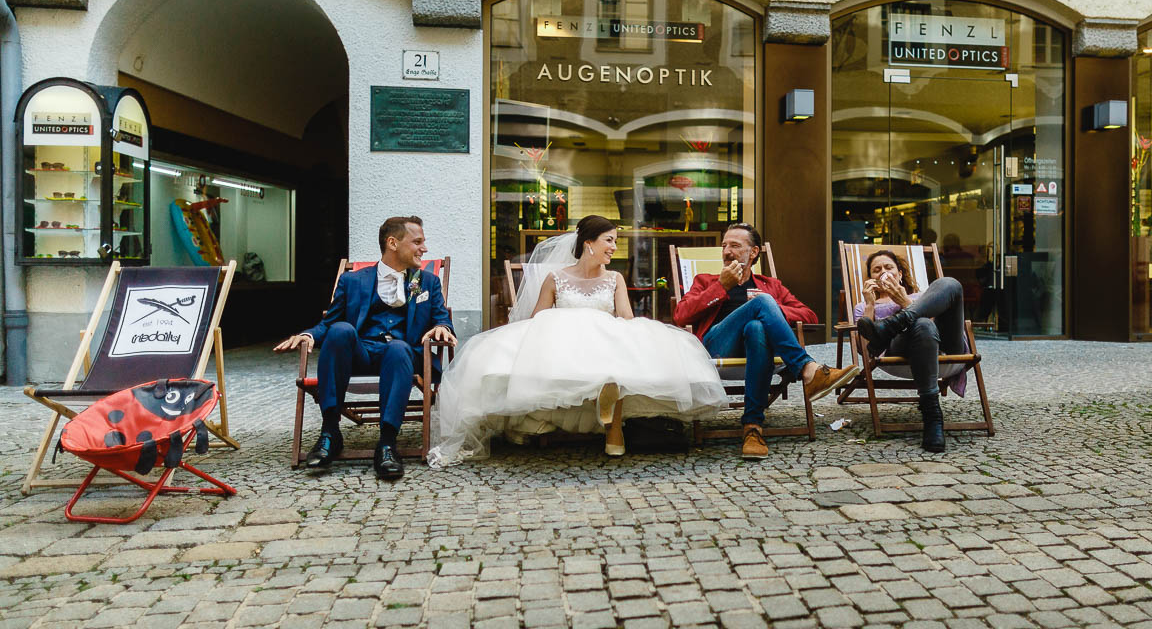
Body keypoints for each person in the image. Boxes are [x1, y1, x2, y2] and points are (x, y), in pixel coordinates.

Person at [427, 215, 726, 469]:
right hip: (564, 345)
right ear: (589, 244)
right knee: (564, 335)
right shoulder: (556, 278)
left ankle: (613, 424)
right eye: (608, 240)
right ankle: (609, 426)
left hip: (605, 341)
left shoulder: (615, 279)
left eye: (614, 242)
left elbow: (626, 318)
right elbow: (536, 319)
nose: (614, 247)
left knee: (620, 344)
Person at [274, 216, 456, 479]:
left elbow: (441, 317)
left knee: (398, 349)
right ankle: (330, 433)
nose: (424, 249)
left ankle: (387, 443)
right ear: (393, 243)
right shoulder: (353, 281)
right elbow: (331, 321)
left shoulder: (425, 282)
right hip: (361, 353)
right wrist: (308, 335)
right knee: (341, 330)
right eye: (417, 242)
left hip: (402, 357)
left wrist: (443, 328)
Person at [674, 223, 860, 459]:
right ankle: (807, 369)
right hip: (717, 348)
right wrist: (722, 286)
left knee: (756, 326)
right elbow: (681, 315)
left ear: (753, 253)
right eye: (724, 246)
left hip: (757, 351)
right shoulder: (705, 281)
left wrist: (772, 310)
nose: (727, 251)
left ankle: (752, 428)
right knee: (762, 304)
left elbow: (809, 315)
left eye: (735, 245)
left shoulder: (771, 286)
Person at [853, 249, 968, 453]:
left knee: (950, 283)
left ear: (899, 273)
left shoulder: (924, 296)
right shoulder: (863, 306)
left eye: (888, 267)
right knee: (922, 324)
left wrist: (905, 302)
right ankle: (932, 414)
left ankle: (890, 325)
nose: (883, 272)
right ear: (870, 278)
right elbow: (866, 348)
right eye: (876, 270)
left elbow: (937, 329)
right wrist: (870, 304)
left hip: (947, 347)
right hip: (902, 350)